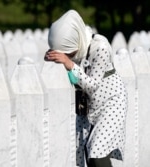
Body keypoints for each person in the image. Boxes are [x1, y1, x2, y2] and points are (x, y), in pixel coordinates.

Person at [44, 10, 128, 167]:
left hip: (110, 102)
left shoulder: (100, 47)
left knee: (97, 150)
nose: (68, 57)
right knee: (85, 150)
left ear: (75, 40)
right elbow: (78, 80)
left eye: (68, 53)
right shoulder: (78, 47)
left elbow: (93, 85)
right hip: (87, 103)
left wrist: (69, 65)